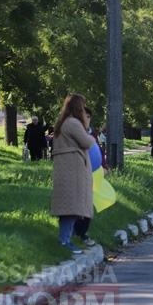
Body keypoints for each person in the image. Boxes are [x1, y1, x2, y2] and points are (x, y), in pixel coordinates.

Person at [50, 94, 96, 255]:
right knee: (72, 207)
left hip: (68, 168)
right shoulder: (74, 123)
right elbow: (87, 142)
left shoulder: (64, 122)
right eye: (83, 107)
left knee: (69, 207)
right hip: (73, 170)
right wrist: (89, 131)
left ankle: (66, 239)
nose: (84, 110)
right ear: (78, 107)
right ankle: (64, 241)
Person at [73, 107, 105, 247]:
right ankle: (75, 232)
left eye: (88, 116)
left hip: (91, 174)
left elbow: (97, 150)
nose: (86, 119)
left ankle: (82, 233)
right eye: (83, 116)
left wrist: (104, 165)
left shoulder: (91, 134)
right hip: (76, 173)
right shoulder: (73, 133)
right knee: (77, 205)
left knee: (87, 205)